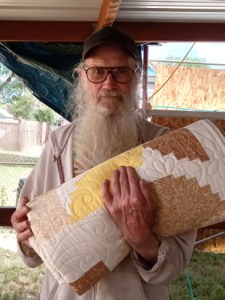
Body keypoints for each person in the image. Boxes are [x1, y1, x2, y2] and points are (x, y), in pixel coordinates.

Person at [11, 26, 196, 300]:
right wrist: (26, 237)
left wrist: (141, 238)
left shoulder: (161, 146)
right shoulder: (58, 144)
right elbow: (32, 254)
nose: (109, 84)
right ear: (82, 78)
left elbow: (176, 264)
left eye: (121, 71)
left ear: (135, 77)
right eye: (97, 72)